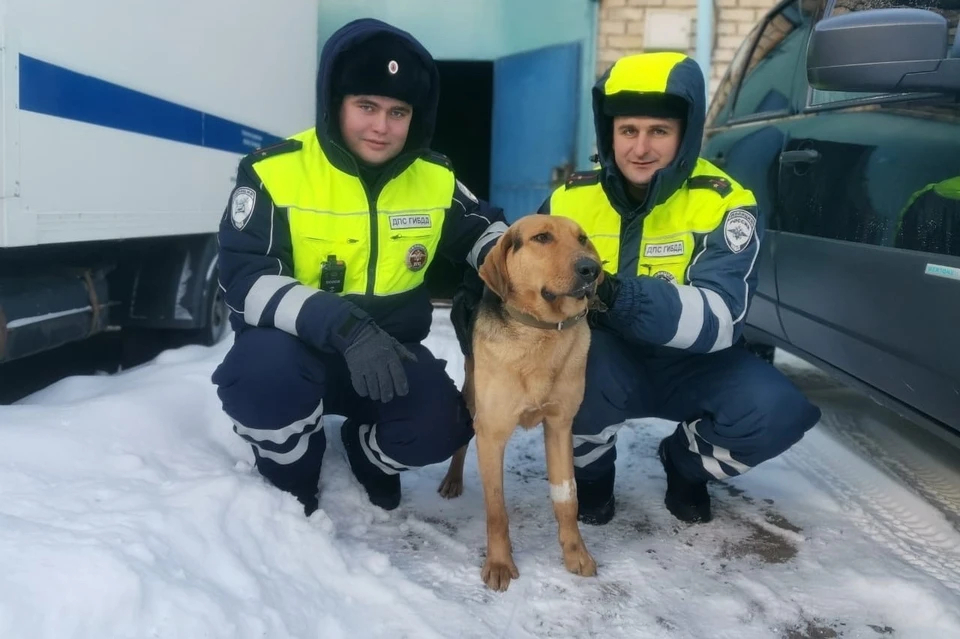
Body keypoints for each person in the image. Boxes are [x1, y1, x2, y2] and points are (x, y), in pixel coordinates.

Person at [211, 18, 506, 516]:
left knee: (443, 426)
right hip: (292, 352)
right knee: (260, 380)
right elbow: (246, 280)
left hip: (387, 356)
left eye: (398, 112)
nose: (381, 127)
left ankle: (366, 454)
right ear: (335, 103)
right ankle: (295, 469)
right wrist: (346, 328)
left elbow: (487, 232)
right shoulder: (272, 171)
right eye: (366, 106)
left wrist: (523, 273)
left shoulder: (434, 176)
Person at [538, 51, 822, 525]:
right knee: (571, 369)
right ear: (609, 133)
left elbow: (721, 319)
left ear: (685, 135)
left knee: (778, 413)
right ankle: (592, 476)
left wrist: (621, 296)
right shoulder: (570, 199)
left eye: (659, 131)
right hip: (605, 359)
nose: (640, 148)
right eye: (628, 130)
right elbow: (530, 283)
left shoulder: (726, 202)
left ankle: (686, 463)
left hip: (695, 363)